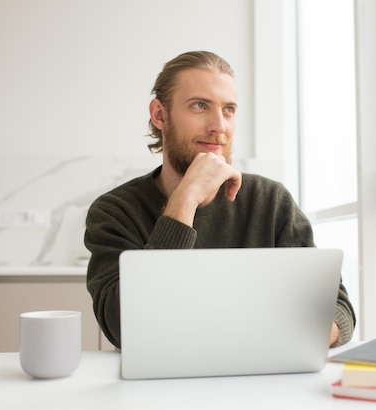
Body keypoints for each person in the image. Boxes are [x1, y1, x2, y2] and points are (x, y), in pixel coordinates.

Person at [84, 50, 356, 350]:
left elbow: (338, 310)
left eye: (228, 109)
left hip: (260, 377)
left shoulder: (271, 201)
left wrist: (264, 339)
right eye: (200, 106)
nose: (219, 126)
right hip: (158, 386)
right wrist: (184, 201)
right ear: (160, 115)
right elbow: (123, 327)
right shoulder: (114, 211)